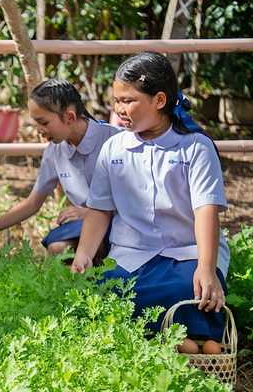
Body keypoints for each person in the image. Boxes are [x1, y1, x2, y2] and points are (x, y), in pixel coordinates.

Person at [71, 51, 230, 341]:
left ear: (159, 100)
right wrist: (84, 254)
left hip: (188, 254)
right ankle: (179, 340)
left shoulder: (196, 147)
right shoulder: (113, 148)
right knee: (108, 292)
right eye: (116, 100)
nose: (119, 109)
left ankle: (185, 341)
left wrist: (206, 269)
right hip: (131, 256)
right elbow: (99, 209)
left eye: (128, 101)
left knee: (192, 290)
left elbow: (205, 211)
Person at [0, 78, 122, 257]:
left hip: (121, 223)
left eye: (44, 123)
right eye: (36, 122)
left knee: (92, 243)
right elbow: (33, 203)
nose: (39, 130)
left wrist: (89, 212)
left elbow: (136, 198)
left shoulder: (116, 141)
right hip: (87, 226)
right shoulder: (55, 151)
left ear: (70, 117)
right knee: (59, 247)